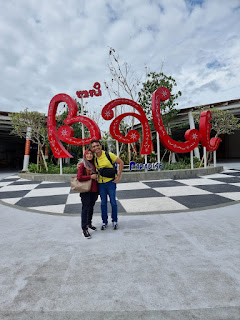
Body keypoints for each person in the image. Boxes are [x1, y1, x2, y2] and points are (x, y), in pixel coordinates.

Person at [90, 140, 124, 230]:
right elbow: (86, 162)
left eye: (97, 145)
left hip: (111, 183)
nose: (96, 147)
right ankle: (104, 222)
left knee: (113, 202)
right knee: (103, 203)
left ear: (101, 146)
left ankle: (115, 221)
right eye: (94, 146)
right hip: (101, 184)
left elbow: (121, 162)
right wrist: (79, 165)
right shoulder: (94, 158)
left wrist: (118, 176)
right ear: (92, 149)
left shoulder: (108, 155)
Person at [77, 149, 98, 239]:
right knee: (85, 208)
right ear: (85, 155)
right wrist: (90, 176)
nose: (89, 155)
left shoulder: (94, 163)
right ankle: (84, 229)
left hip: (94, 189)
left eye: (91, 154)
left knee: (91, 207)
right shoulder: (83, 164)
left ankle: (89, 223)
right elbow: (79, 177)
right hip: (86, 190)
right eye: (87, 154)